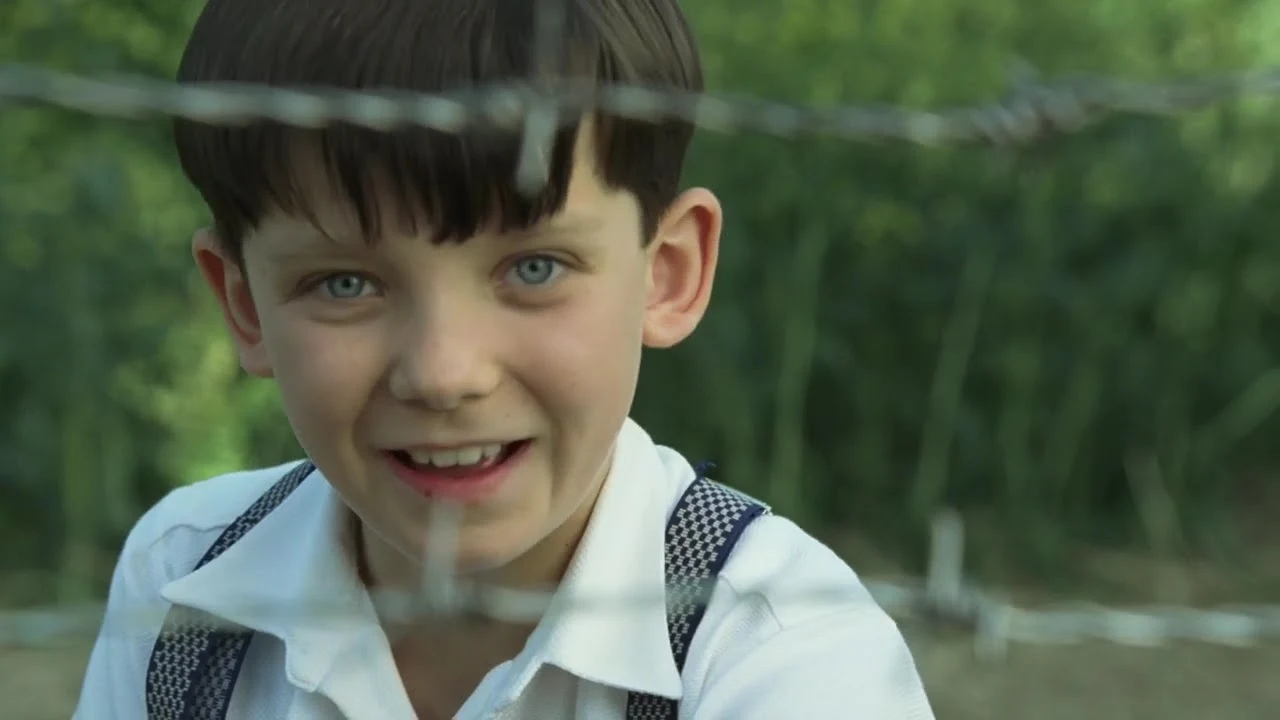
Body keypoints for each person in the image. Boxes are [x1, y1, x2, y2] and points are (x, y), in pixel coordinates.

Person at [75, 0, 936, 717]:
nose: (444, 374)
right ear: (243, 304)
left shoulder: (787, 660)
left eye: (535, 268)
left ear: (668, 272)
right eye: (344, 284)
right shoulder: (185, 589)